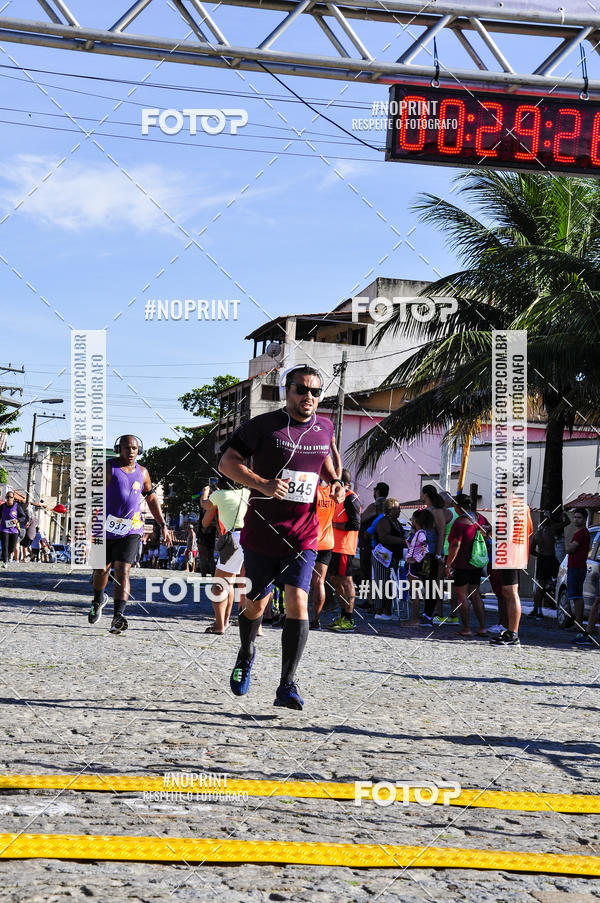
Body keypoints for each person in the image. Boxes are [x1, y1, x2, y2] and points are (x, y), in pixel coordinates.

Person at [218, 364, 340, 710]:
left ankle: (287, 684)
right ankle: (246, 653)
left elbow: (326, 458)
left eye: (316, 391)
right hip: (262, 529)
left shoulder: (325, 426)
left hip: (303, 531)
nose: (309, 397)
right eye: (302, 389)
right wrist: (263, 485)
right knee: (255, 603)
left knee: (297, 600)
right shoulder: (262, 426)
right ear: (287, 391)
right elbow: (226, 463)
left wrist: (335, 481)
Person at [87, 435, 172, 634]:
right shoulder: (108, 468)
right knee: (101, 570)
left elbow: (151, 498)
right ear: (119, 449)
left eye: (134, 448)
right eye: (127, 448)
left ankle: (118, 616)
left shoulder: (143, 473)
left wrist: (162, 524)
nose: (131, 452)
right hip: (104, 528)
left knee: (123, 570)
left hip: (131, 529)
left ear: (139, 450)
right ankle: (98, 599)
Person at [201, 476, 250, 634]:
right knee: (233, 583)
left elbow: (205, 505)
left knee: (219, 585)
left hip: (232, 540)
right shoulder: (246, 493)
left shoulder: (219, 495)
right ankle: (227, 621)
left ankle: (219, 625)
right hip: (250, 539)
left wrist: (205, 493)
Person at [489, 496, 533, 647]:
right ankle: (511, 632)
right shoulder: (523, 506)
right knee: (508, 591)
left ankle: (513, 634)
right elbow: (530, 530)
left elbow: (502, 532)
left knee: (511, 592)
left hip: (508, 553)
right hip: (516, 552)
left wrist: (490, 533)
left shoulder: (507, 506)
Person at [445, 494, 490, 638]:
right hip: (476, 563)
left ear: (457, 507)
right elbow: (489, 531)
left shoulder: (460, 522)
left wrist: (448, 564)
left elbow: (455, 544)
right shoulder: (479, 518)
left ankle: (466, 628)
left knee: (462, 596)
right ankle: (482, 628)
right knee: (475, 595)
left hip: (462, 564)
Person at [310, 457, 344, 631]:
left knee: (300, 581)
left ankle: (295, 616)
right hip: (327, 542)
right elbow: (338, 468)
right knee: (320, 582)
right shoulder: (333, 491)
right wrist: (333, 447)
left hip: (310, 541)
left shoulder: (313, 491)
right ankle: (316, 620)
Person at [327, 469, 361, 632]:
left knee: (346, 581)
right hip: (332, 546)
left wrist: (333, 526)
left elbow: (355, 524)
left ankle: (349, 618)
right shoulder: (336, 498)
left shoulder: (351, 498)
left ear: (344, 484)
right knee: (334, 580)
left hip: (344, 548)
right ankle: (343, 615)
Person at [419, 484, 453, 627]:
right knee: (427, 583)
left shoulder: (437, 512)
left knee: (432, 585)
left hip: (434, 553)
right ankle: (426, 612)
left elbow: (441, 534)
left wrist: (438, 555)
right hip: (426, 553)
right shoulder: (429, 510)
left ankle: (428, 614)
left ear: (425, 494)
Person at [371, 497, 406, 621]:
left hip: (392, 558)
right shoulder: (384, 521)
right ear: (390, 510)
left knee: (390, 585)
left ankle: (388, 611)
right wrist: (403, 541)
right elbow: (384, 538)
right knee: (382, 584)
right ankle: (379, 612)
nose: (399, 510)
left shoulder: (396, 522)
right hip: (382, 558)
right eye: (397, 508)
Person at [565, 508, 591, 643]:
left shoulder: (582, 534)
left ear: (585, 519)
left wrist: (569, 546)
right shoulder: (578, 533)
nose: (576, 519)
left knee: (577, 596)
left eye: (579, 517)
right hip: (573, 567)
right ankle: (577, 623)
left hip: (577, 567)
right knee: (574, 596)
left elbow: (569, 548)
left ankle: (578, 624)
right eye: (575, 517)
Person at [405, 508, 434, 626]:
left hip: (412, 565)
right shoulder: (419, 532)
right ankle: (414, 619)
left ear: (415, 520)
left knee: (415, 593)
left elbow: (425, 547)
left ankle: (414, 620)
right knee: (415, 593)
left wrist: (416, 559)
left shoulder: (420, 533)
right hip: (412, 564)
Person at [530, 512, 559, 619]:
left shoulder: (537, 534)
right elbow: (567, 521)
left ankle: (537, 609)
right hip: (550, 559)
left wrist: (540, 555)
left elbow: (531, 550)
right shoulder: (552, 529)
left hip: (544, 559)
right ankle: (537, 609)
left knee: (541, 586)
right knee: (544, 585)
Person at [359, 482, 389, 584]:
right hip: (381, 548)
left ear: (377, 492)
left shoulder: (375, 506)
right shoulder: (388, 508)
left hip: (369, 547)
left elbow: (361, 519)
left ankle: (370, 598)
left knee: (367, 573)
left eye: (375, 490)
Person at [0, 491, 27, 568]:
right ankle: (5, 561)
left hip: (14, 530)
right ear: (5, 498)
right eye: (7, 497)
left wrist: (17, 520)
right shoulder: (2, 507)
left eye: (11, 497)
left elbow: (23, 517)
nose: (9, 499)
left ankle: (7, 556)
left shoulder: (17, 506)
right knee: (5, 545)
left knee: (12, 546)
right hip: (4, 529)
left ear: (13, 498)